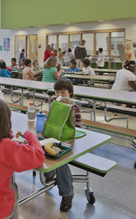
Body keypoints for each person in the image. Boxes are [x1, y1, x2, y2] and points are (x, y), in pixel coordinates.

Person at [43, 78, 82, 212]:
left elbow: (77, 129)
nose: (59, 95)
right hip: (54, 138)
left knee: (60, 161)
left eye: (63, 92)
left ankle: (67, 193)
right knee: (41, 149)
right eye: (57, 92)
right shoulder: (55, 104)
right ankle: (49, 175)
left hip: (70, 143)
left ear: (70, 93)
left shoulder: (74, 108)